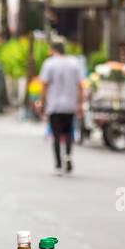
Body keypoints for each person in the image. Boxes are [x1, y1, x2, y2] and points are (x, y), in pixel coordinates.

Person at [37, 39, 86, 175]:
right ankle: (68, 155)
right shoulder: (75, 63)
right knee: (69, 132)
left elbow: (44, 86)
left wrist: (41, 103)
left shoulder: (49, 64)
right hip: (71, 105)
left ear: (53, 50)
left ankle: (58, 164)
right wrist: (80, 104)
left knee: (57, 135)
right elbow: (80, 86)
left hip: (55, 105)